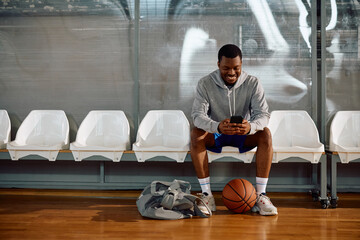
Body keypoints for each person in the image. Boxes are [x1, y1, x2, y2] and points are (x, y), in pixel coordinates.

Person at [190, 44, 277, 216]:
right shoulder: (205, 83)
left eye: (236, 68)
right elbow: (197, 116)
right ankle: (207, 195)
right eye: (226, 68)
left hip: (242, 134)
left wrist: (250, 127)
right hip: (217, 134)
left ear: (242, 64)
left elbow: (263, 115)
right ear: (218, 65)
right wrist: (217, 126)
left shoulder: (253, 83)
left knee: (265, 134)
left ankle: (261, 195)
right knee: (195, 134)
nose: (231, 73)